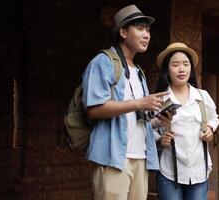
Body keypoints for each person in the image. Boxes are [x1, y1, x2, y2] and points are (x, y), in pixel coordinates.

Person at [81, 5, 169, 200]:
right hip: (112, 158)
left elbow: (136, 118)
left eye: (148, 30)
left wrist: (159, 120)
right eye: (139, 28)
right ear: (123, 32)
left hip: (141, 157)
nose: (146, 35)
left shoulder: (138, 72)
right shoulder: (103, 62)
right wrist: (139, 103)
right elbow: (94, 109)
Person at [154, 42, 219, 200]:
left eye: (186, 64)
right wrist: (159, 139)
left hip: (199, 170)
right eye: (175, 64)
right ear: (167, 69)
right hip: (169, 170)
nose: (181, 69)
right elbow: (146, 128)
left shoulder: (202, 96)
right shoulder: (159, 99)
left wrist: (210, 129)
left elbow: (214, 117)